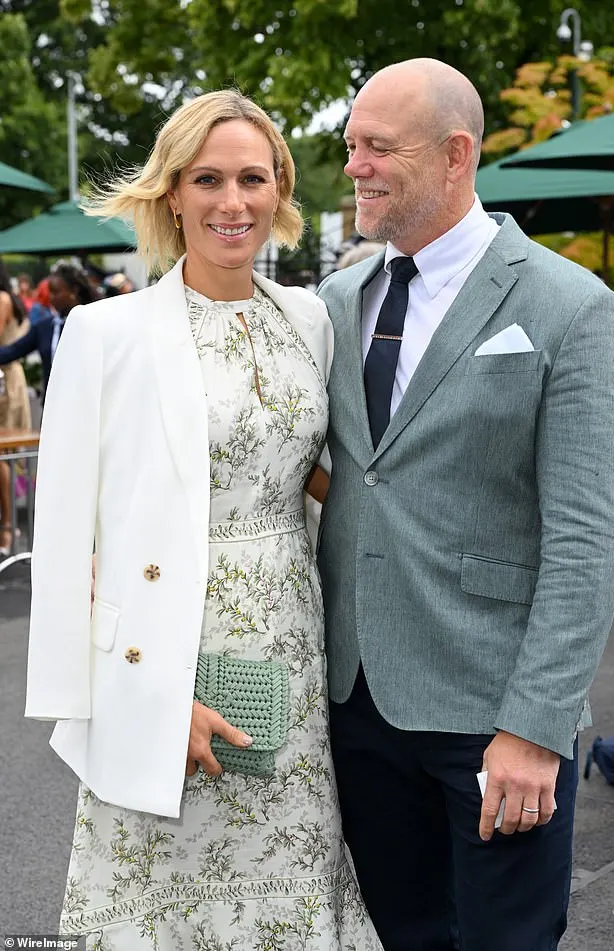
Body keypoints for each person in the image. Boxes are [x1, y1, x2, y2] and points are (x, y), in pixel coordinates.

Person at [24, 89, 381, 950]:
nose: (233, 203)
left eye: (253, 179)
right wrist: (143, 698)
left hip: (291, 659)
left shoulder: (311, 321)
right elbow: (64, 545)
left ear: (280, 189)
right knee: (167, 905)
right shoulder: (104, 334)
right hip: (159, 665)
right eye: (208, 179)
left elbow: (323, 479)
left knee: (288, 894)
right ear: (172, 193)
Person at [316, 58, 614, 951]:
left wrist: (534, 728)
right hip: (360, 704)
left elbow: (587, 536)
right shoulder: (336, 304)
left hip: (496, 716)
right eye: (351, 146)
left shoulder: (575, 308)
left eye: (378, 147)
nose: (355, 167)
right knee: (407, 935)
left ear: (456, 155)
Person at [0, 265, 96, 400]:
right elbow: (12, 351)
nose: (51, 297)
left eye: (55, 292)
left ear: (73, 291)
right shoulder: (45, 327)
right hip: (51, 405)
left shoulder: (92, 324)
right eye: (49, 292)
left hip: (84, 402)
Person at [0, 261, 32, 556]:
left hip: (6, 381)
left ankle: (9, 527)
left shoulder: (2, 299)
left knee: (5, 454)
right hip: (6, 378)